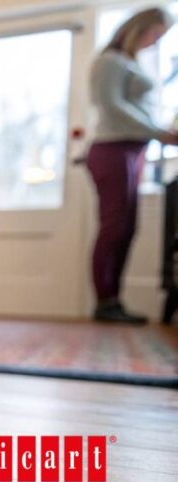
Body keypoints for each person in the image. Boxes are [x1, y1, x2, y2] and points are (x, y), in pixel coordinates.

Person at [87, 7, 177, 324]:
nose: (155, 42)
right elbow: (113, 105)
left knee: (127, 227)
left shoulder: (130, 63)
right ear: (139, 28)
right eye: (156, 34)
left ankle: (114, 299)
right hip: (113, 149)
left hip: (133, 150)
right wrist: (159, 133)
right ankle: (105, 300)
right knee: (113, 227)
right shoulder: (111, 61)